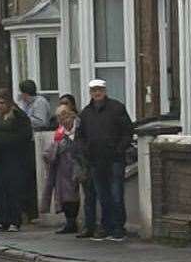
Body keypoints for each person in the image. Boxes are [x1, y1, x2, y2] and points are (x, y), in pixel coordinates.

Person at [76, 78, 133, 240]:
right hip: (95, 160)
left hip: (114, 159)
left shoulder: (117, 108)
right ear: (90, 93)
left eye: (99, 90)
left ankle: (118, 228)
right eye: (94, 90)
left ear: (105, 91)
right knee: (103, 196)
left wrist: (119, 149)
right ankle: (106, 227)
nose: (97, 93)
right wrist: (86, 150)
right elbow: (80, 136)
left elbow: (128, 131)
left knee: (116, 195)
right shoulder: (86, 113)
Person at [0, 91, 35, 232]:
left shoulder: (19, 117)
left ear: (9, 103)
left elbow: (25, 137)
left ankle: (14, 221)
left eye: (2, 103)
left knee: (13, 189)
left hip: (14, 158)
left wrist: (2, 139)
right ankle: (1, 221)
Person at [41, 105, 84, 234]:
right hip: (63, 166)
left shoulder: (80, 127)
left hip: (79, 163)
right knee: (65, 195)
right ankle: (70, 222)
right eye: (59, 116)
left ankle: (81, 222)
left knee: (77, 194)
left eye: (64, 114)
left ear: (72, 114)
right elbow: (54, 147)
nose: (62, 119)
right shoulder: (60, 132)